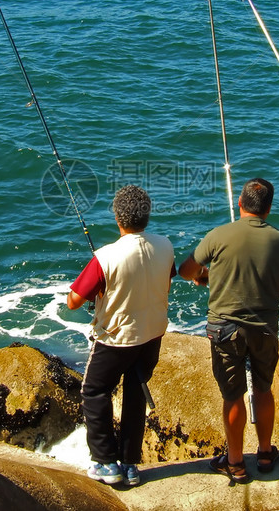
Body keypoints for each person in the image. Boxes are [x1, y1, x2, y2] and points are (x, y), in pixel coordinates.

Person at [178, 178, 279, 483]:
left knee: (233, 396)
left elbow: (186, 270)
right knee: (263, 389)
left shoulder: (218, 235)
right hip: (264, 329)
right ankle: (266, 452)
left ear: (240, 204)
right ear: (268, 208)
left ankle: (235, 463)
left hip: (225, 328)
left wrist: (206, 276)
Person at [67, 185, 174, 487]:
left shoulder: (106, 256)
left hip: (116, 340)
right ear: (147, 216)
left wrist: (101, 291)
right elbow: (164, 275)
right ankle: (129, 464)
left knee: (94, 391)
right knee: (136, 391)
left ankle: (105, 462)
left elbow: (73, 300)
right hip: (152, 334)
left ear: (118, 218)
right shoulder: (165, 245)